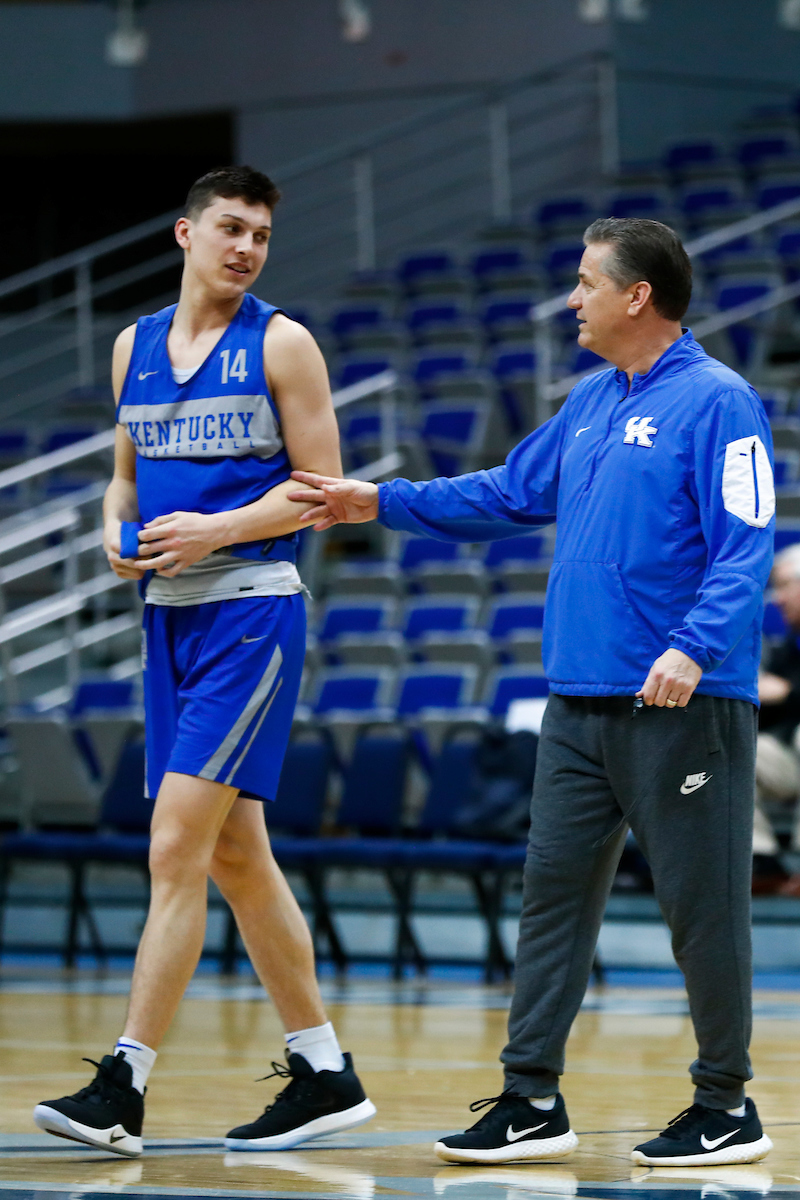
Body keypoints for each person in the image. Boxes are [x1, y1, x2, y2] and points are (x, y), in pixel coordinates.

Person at [289, 217, 775, 1168]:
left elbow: (746, 542)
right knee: (550, 897)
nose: (571, 298)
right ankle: (530, 1098)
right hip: (579, 702)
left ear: (638, 296)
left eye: (587, 282)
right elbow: (507, 492)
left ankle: (726, 1104)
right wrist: (378, 501)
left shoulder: (722, 401)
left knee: (701, 907)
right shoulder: (591, 400)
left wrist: (692, 647)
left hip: (683, 701)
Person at [32, 166, 375, 1158]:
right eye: (230, 227)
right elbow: (124, 474)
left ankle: (123, 1085)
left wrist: (217, 530)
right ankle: (322, 1073)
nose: (246, 247)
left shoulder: (281, 342)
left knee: (174, 847)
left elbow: (324, 492)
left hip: (249, 615)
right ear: (185, 234)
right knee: (234, 855)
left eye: (260, 234)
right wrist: (111, 527)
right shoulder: (131, 346)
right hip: (167, 617)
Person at [753, 542, 800, 893]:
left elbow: (783, 694)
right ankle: (762, 864)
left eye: (785, 586)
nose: (778, 598)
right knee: (733, 751)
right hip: (789, 757)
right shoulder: (788, 646)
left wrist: (788, 692)